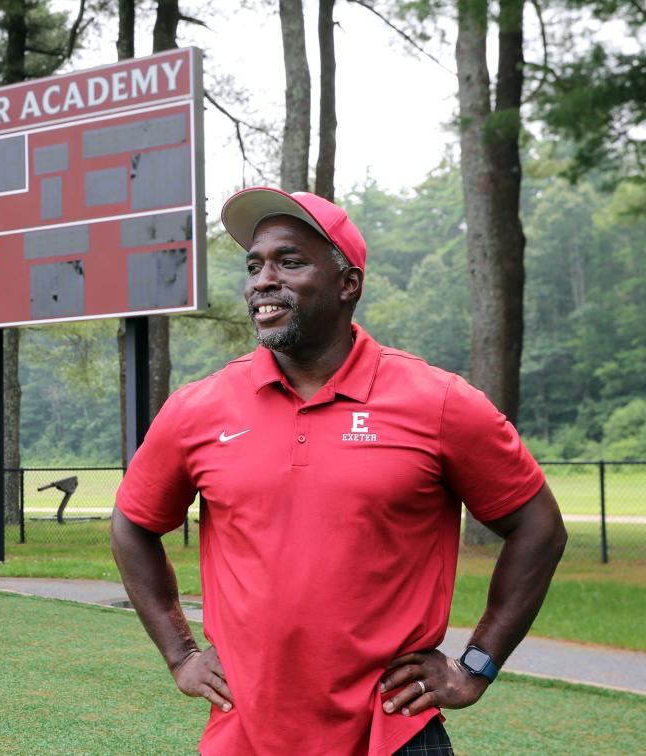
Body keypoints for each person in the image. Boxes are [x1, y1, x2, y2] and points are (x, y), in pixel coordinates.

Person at [110, 187, 567, 755]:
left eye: (289, 261)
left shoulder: (440, 402)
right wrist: (180, 653)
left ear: (348, 283)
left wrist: (475, 664)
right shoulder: (198, 408)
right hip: (245, 734)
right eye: (254, 266)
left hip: (394, 733)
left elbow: (539, 527)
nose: (262, 280)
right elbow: (132, 523)